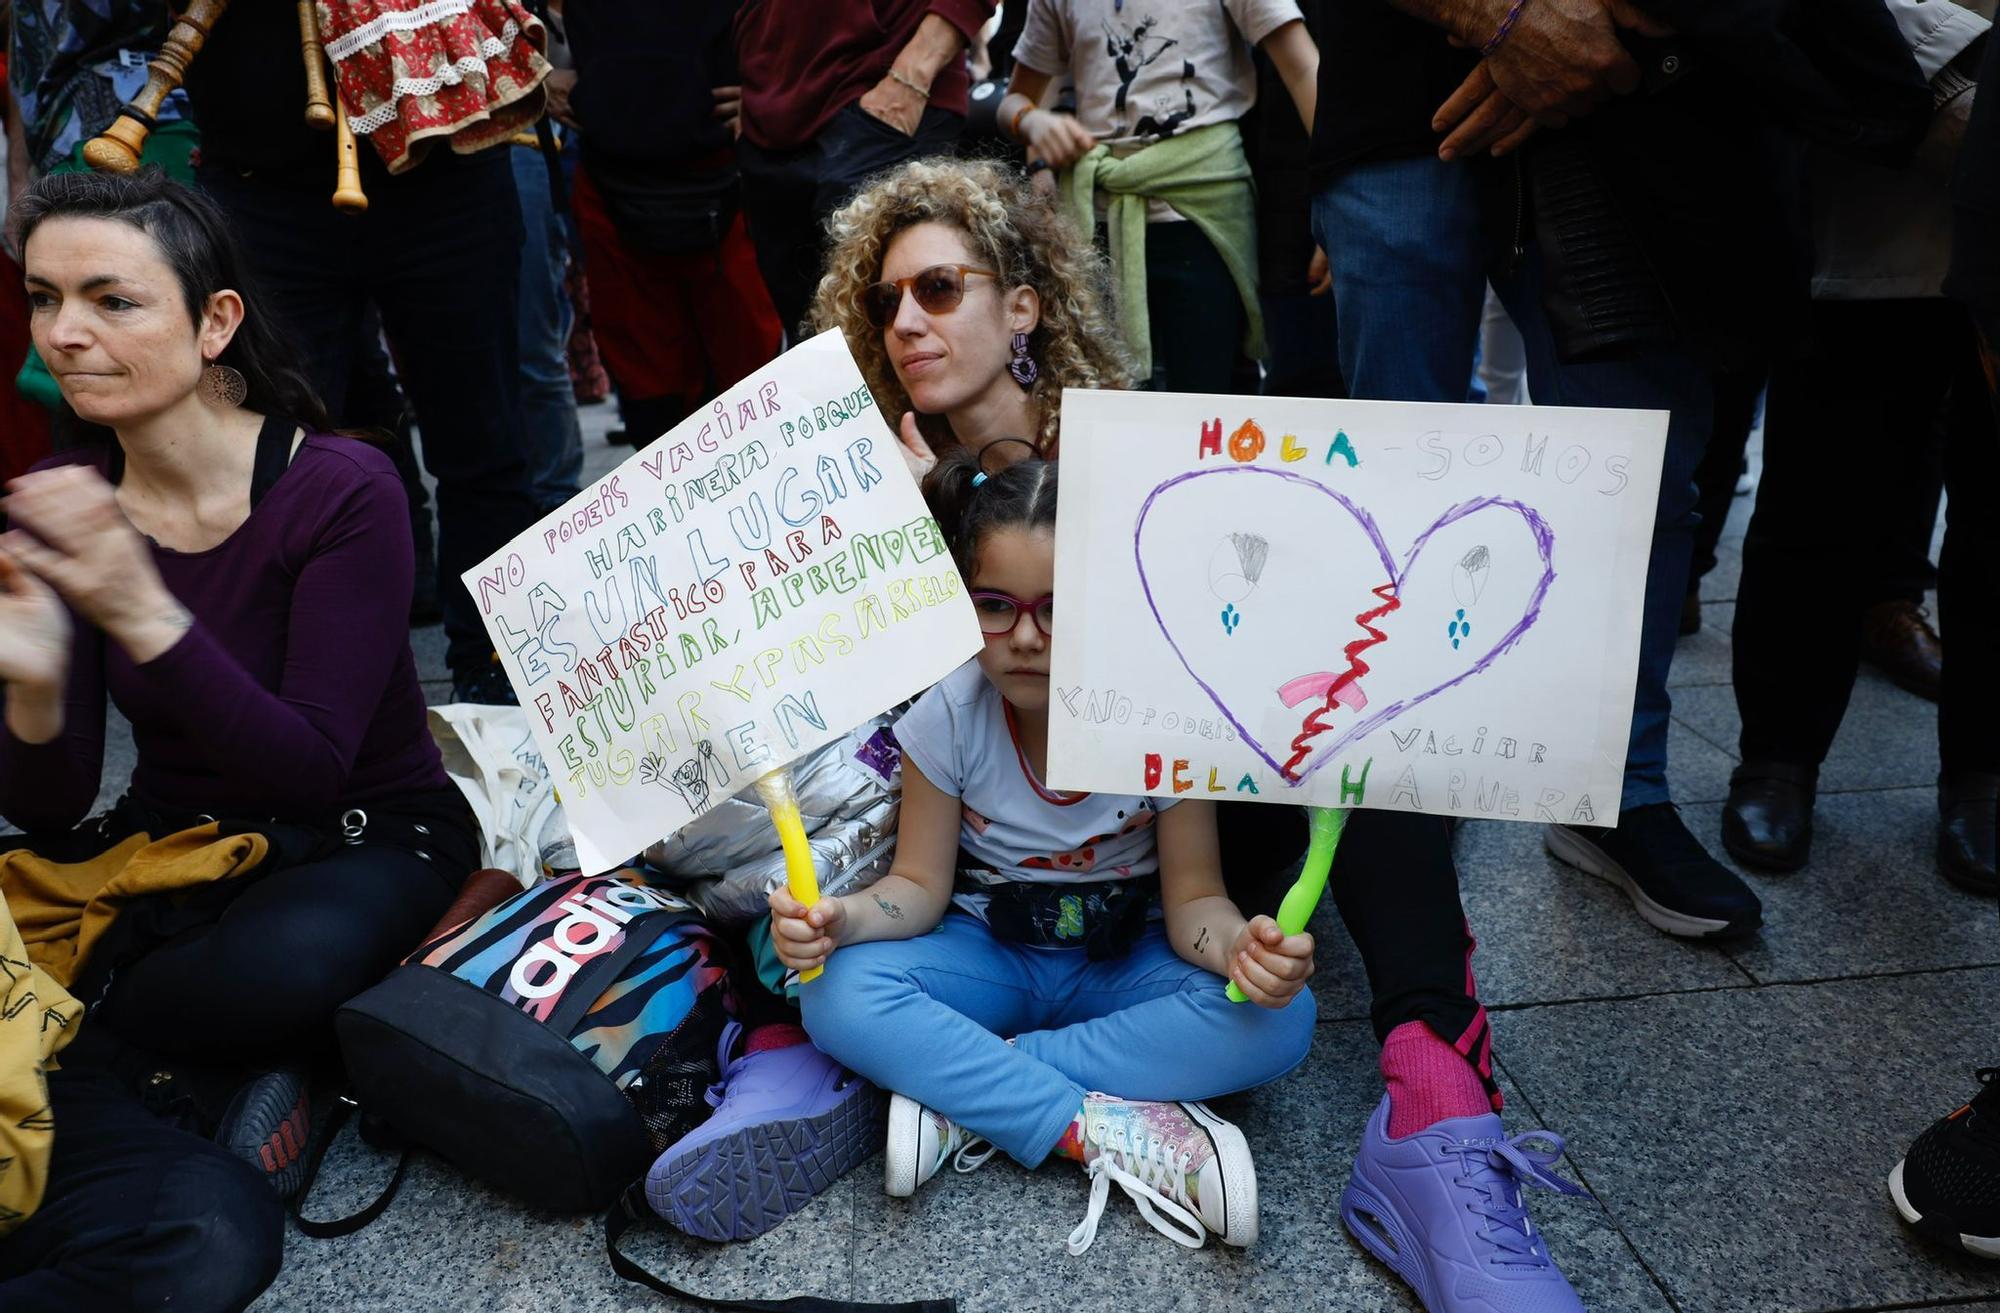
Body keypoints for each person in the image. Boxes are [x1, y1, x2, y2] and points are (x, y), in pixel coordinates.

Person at [800, 159, 1591, 1294]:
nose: (905, 322)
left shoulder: (1151, 448)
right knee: (825, 970)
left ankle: (1432, 1103)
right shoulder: (875, 484)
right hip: (971, 851)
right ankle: (1054, 1102)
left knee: (1365, 751)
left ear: (1021, 302)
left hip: (1186, 824)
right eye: (882, 303)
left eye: (936, 288)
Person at [0, 170, 476, 1311]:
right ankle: (225, 1082)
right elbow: (59, 804)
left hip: (365, 835)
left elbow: (307, 765)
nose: (66, 331)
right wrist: (29, 681)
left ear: (215, 322)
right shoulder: (72, 490)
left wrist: (138, 607)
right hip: (177, 843)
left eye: (114, 300)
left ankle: (189, 1082)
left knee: (279, 966)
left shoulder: (340, 486)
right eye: (43, 296)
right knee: (118, 944)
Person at [775, 451, 1318, 1252]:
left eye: (1057, 610)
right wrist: (840, 919)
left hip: (1125, 963)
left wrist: (1242, 949)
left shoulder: (1164, 716)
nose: (1024, 637)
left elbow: (1196, 902)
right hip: (987, 956)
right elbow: (918, 887)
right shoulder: (948, 714)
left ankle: (966, 1088)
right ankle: (1093, 1124)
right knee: (835, 993)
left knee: (1285, 1017)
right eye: (995, 606)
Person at [178, 0, 543, 702]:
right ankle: (305, 702)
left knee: (486, 444)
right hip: (265, 189)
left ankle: (501, 689)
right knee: (267, 463)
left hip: (446, 169)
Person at [1723, 0, 1994, 880]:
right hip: (1875, 160)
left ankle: (1984, 774)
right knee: (1819, 494)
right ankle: (1778, 757)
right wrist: (1955, 78)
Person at [997, 0, 1321, 392]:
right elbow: (1015, 100)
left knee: (1207, 395)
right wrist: (1034, 122)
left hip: (1205, 213)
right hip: (1097, 224)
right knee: (1109, 393)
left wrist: (1335, 202)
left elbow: (1303, 68)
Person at [558, 0, 784, 453]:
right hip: (614, 180)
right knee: (651, 404)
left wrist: (779, 84)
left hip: (727, 174)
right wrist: (536, 73)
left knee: (750, 399)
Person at [734, 0, 997, 337]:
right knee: (813, 352)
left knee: (902, 329)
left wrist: (914, 72)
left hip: (887, 90)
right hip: (771, 115)